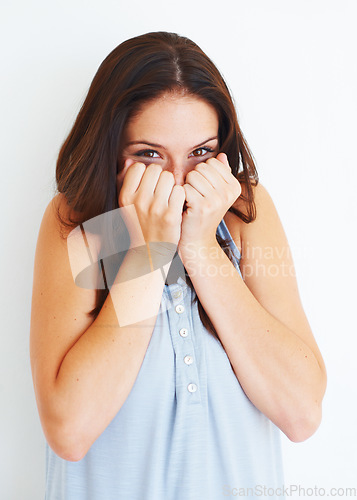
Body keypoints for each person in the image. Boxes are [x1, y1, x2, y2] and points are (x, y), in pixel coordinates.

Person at [30, 31, 327, 499]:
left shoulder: (247, 215)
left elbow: (303, 413)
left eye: (201, 154)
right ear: (112, 155)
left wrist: (200, 248)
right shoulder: (80, 226)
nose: (179, 183)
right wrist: (150, 251)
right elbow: (70, 432)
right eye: (149, 155)